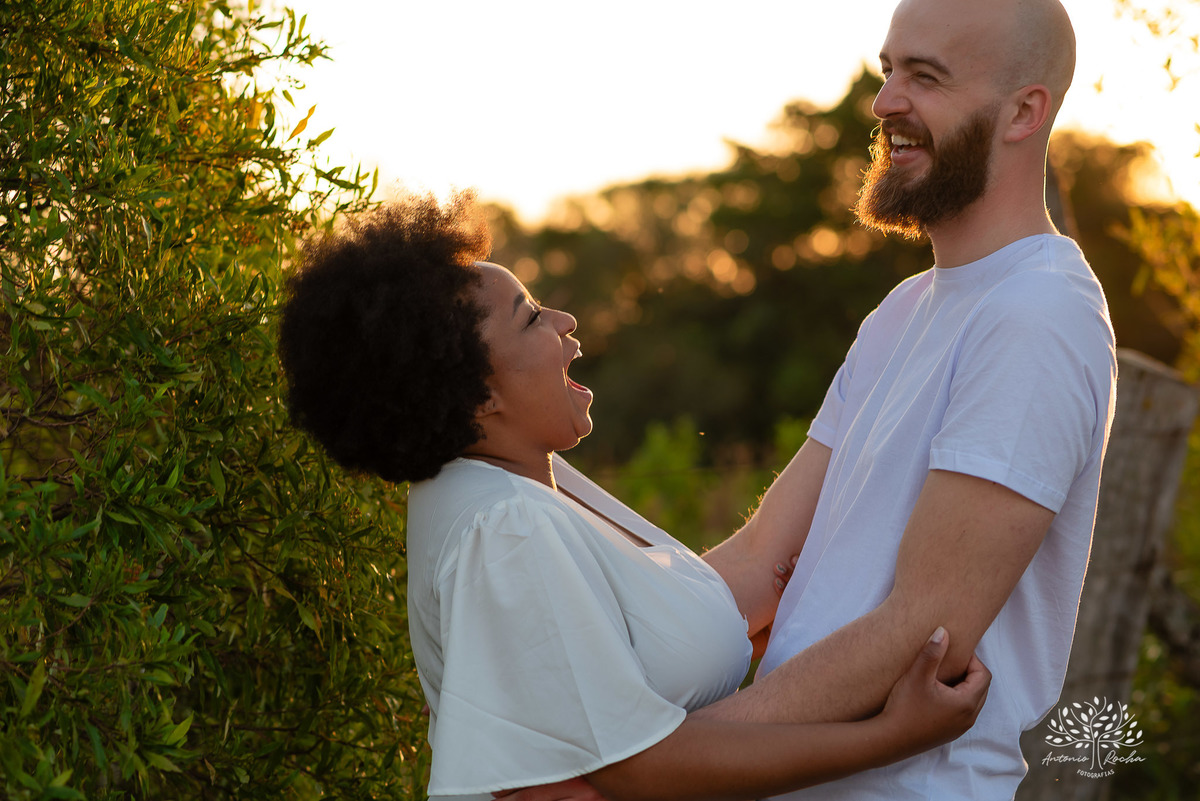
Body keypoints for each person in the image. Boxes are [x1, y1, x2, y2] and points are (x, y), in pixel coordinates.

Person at [275, 194, 990, 801]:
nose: (565, 324)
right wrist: (889, 735)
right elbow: (644, 766)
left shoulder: (514, 480)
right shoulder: (506, 525)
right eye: (529, 318)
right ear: (479, 393)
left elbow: (742, 570)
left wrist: (873, 366)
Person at [689, 0, 1118, 799]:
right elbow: (760, 560)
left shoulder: (1038, 315)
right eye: (889, 70)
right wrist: (594, 637)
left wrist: (659, 761)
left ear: (1026, 111)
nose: (885, 103)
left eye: (926, 76)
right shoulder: (900, 313)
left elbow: (923, 629)